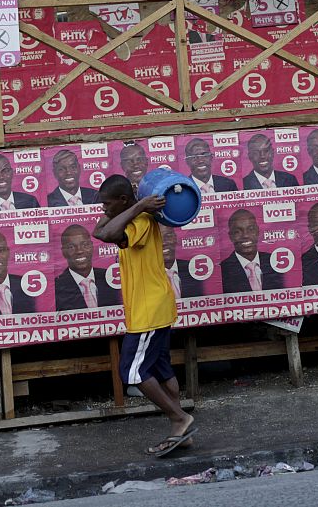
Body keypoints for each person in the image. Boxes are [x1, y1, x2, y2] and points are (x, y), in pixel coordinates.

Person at [93, 174, 197, 457]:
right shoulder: (132, 215)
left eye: (107, 204)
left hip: (148, 311)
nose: (103, 209)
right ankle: (182, 432)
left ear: (124, 201)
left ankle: (179, 419)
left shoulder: (139, 222)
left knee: (132, 372)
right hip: (156, 307)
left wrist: (137, 208)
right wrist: (133, 206)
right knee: (161, 370)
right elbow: (98, 230)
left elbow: (108, 234)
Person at [54, 224, 120, 310]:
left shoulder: (110, 277)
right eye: (71, 247)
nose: (79, 251)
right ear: (63, 252)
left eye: (85, 245)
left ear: (92, 247)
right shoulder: (56, 286)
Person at [220, 209, 285, 292]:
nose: (245, 235)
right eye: (237, 231)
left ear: (258, 231)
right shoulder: (222, 270)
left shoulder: (276, 262)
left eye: (250, 229)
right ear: (231, 236)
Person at [160, 225, 203, 299]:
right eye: (158, 238)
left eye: (168, 236)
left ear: (175, 238)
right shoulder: (147, 275)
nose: (164, 242)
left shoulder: (194, 269)